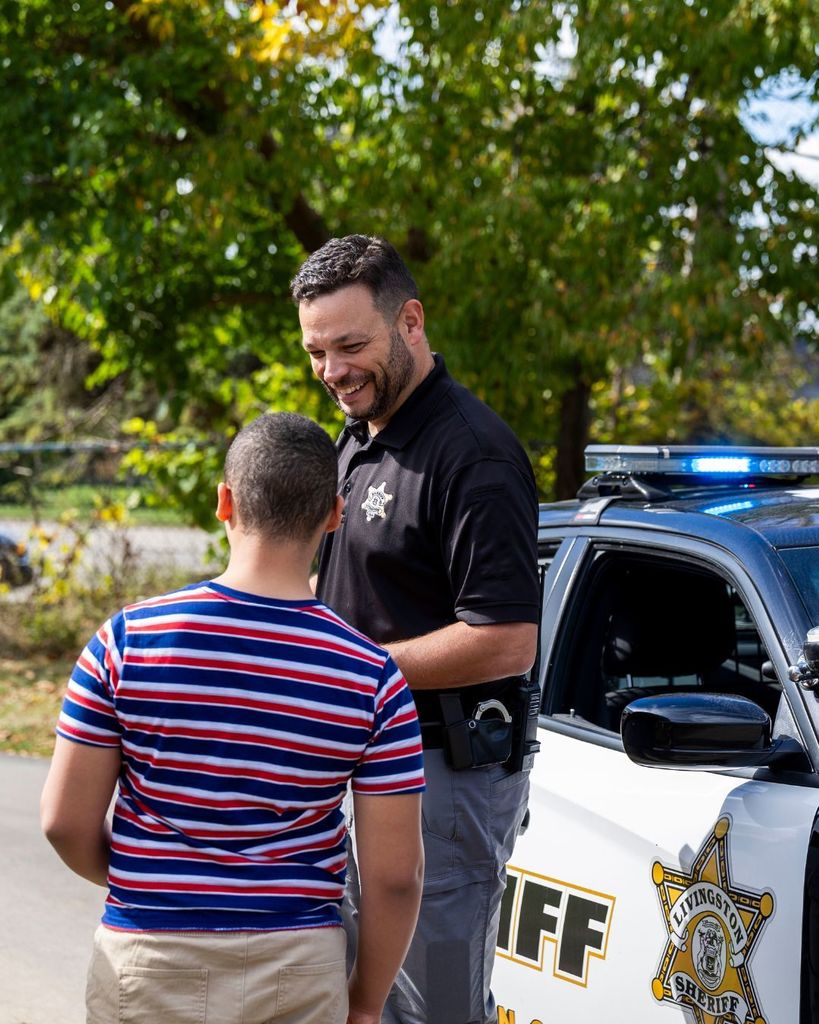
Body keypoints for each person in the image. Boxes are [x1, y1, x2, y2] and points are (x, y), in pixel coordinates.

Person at [40, 412, 425, 1024]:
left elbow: (63, 821)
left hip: (148, 953)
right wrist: (365, 1003)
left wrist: (148, 878)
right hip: (298, 964)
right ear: (334, 512)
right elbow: (395, 878)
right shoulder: (373, 676)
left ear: (225, 502)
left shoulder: (127, 640)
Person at [291, 236, 541, 1024]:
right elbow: (349, 587)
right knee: (365, 1001)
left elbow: (504, 639)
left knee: (433, 1005)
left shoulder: (473, 454)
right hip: (362, 765)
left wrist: (348, 672)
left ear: (410, 321)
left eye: (351, 346)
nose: (332, 371)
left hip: (445, 773)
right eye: (316, 352)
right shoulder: (358, 434)